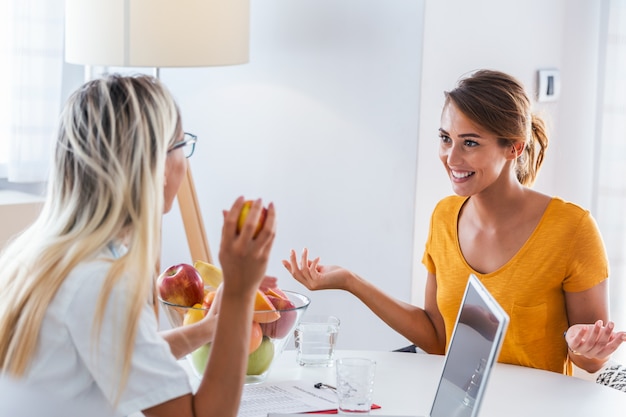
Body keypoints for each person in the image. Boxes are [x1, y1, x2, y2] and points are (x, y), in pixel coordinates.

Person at [283, 69, 626, 376]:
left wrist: (585, 350)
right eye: (446, 138)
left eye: (470, 143)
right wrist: (349, 281)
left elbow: (591, 359)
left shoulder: (573, 229)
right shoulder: (445, 216)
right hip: (460, 402)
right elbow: (437, 339)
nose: (451, 157)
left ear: (514, 149)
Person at [0, 74, 276, 417]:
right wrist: (239, 290)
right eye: (181, 145)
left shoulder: (41, 256)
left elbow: (124, 352)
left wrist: (205, 331)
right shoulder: (103, 284)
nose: (184, 163)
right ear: (153, 164)